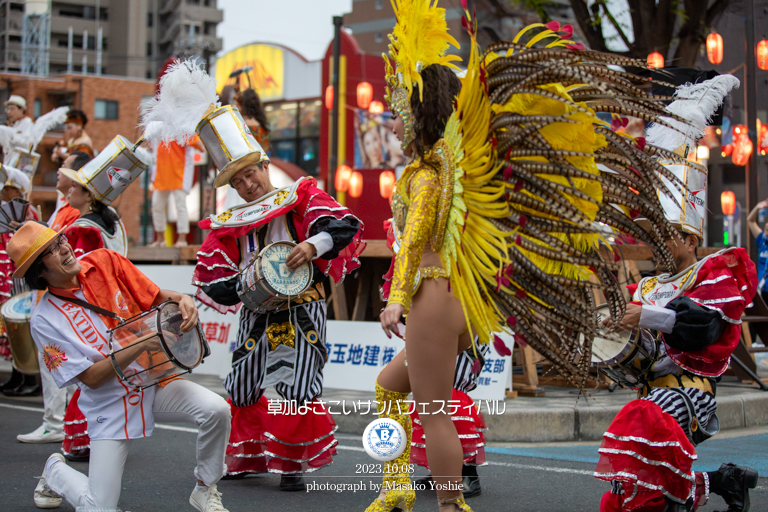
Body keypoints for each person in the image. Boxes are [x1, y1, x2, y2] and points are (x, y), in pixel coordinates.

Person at [594, 75, 759, 512]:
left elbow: (703, 329)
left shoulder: (713, 275)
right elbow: (635, 348)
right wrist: (609, 334)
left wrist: (644, 318)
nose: (658, 243)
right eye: (656, 234)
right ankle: (724, 482)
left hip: (691, 393)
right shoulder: (647, 286)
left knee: (644, 432)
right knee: (629, 494)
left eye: (668, 235)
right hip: (652, 391)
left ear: (689, 239)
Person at [9, 222, 231, 512]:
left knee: (217, 409)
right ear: (39, 271)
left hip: (154, 382)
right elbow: (90, 379)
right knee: (99, 508)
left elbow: (154, 296)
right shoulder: (44, 320)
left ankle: (205, 487)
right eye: (52, 250)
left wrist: (182, 298)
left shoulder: (105, 260)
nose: (65, 247)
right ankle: (55, 472)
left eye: (60, 240)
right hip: (109, 404)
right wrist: (139, 346)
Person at [14, 152, 91, 445]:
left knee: (62, 365)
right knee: (57, 365)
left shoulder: (75, 212)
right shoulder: (64, 207)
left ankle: (58, 422)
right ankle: (62, 422)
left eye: (65, 167)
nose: (58, 170)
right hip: (51, 299)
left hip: (63, 301)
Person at [0, 166, 40, 397]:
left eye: (8, 187)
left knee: (23, 325)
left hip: (22, 275)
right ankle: (18, 375)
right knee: (13, 328)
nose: (3, 191)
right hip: (12, 274)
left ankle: (29, 377)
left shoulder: (29, 213)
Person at [149, 137, 204, 247]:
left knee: (180, 206)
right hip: (161, 174)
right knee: (156, 206)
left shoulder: (182, 128)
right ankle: (160, 239)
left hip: (179, 173)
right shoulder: (159, 126)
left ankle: (182, 239)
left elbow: (201, 147)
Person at [747, 199, 768, 305]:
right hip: (761, 288)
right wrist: (757, 207)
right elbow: (750, 221)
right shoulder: (763, 241)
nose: (767, 225)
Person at [239, 88, 271, 153]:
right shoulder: (259, 122)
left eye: (237, 105)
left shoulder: (245, 124)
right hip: (263, 160)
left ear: (243, 106)